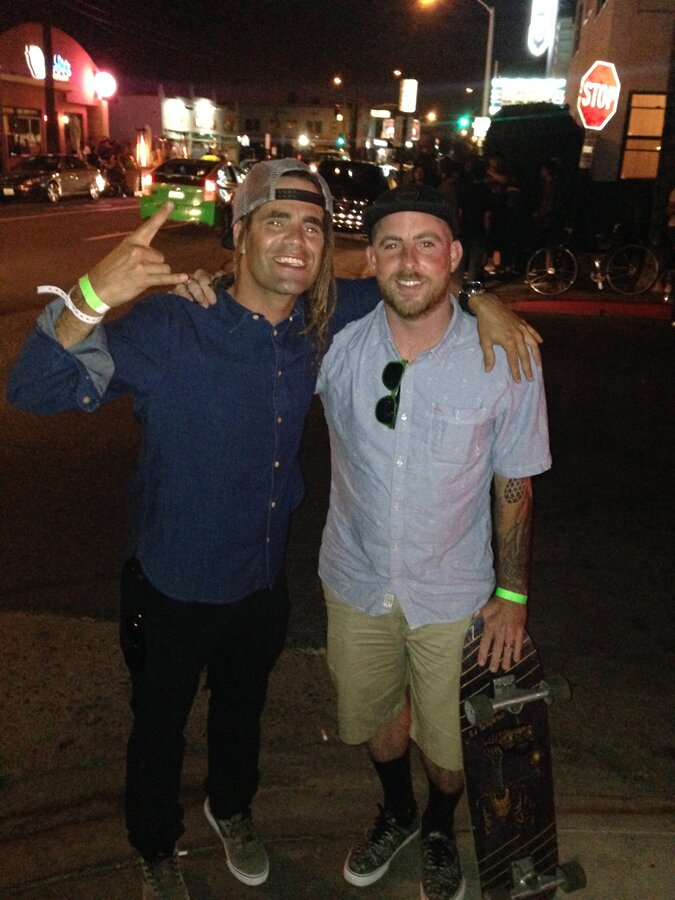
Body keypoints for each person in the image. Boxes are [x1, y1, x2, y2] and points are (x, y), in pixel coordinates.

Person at [7, 160, 540, 900]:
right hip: (170, 579)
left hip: (259, 579)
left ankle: (232, 810)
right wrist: (92, 295)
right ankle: (155, 847)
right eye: (276, 221)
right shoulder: (170, 327)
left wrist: (484, 300)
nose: (297, 240)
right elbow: (33, 388)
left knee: (241, 713)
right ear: (239, 234)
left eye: (313, 226)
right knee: (157, 728)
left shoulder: (322, 323)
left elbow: (414, 278)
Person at [315, 184, 551, 900]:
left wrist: (512, 595)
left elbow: (514, 484)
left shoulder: (505, 354)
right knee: (376, 717)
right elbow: (266, 302)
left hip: (454, 594)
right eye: (391, 245)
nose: (408, 261)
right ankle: (397, 812)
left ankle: (441, 827)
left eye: (426, 244)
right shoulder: (337, 346)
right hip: (356, 578)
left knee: (450, 743)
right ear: (370, 259)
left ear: (453, 257)